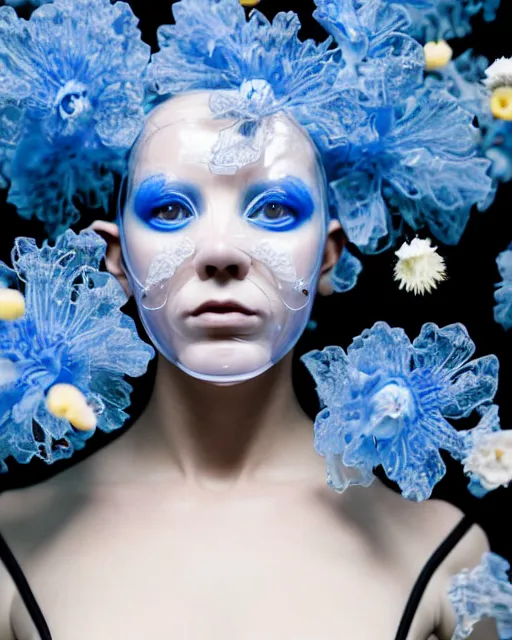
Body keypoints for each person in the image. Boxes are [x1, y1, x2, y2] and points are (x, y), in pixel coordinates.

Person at [0, 89, 499, 640]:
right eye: (169, 210)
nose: (221, 251)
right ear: (115, 260)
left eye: (274, 209)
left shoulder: (446, 558)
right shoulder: (12, 546)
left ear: (328, 256)